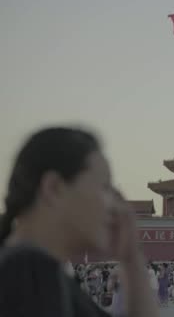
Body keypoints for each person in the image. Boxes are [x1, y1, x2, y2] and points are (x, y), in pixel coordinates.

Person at [0, 127, 159, 317]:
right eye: (105, 187)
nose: (117, 206)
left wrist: (130, 257)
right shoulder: (28, 273)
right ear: (54, 188)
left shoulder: (46, 274)